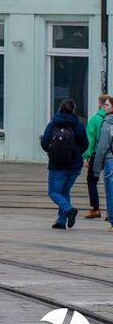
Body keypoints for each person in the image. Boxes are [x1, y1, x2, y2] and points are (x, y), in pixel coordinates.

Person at [40, 98, 88, 230]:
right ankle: (61, 221)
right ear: (73, 110)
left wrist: (52, 150)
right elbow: (85, 145)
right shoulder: (78, 125)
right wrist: (75, 154)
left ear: (60, 108)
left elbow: (44, 143)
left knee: (53, 192)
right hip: (74, 165)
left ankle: (68, 209)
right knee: (64, 190)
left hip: (57, 165)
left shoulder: (53, 124)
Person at [83, 94, 112, 218]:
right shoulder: (109, 119)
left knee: (92, 181)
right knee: (109, 184)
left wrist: (87, 156)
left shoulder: (95, 119)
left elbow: (90, 139)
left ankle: (95, 209)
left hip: (97, 154)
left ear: (99, 104)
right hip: (110, 155)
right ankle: (109, 211)